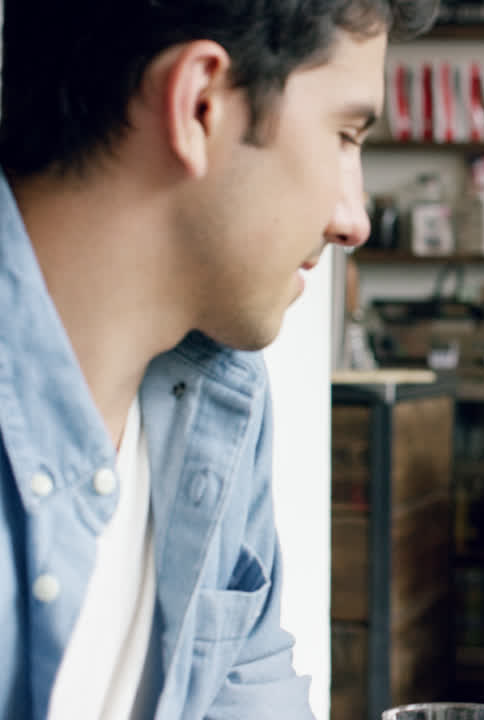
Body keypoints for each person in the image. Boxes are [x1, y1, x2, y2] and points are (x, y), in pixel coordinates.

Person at [0, 1, 436, 718]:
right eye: (345, 135)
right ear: (199, 104)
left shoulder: (221, 394)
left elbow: (252, 684)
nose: (353, 219)